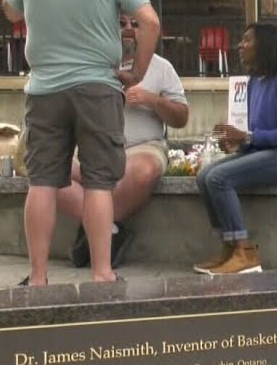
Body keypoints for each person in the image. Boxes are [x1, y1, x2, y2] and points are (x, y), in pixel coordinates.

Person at [3, 0, 160, 285]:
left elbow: (10, 12)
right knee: (98, 181)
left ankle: (38, 277)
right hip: (98, 87)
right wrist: (136, 72)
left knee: (41, 181)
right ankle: (102, 274)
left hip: (44, 89)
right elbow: (150, 21)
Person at [58, 13, 190, 269]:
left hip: (143, 148)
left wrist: (152, 100)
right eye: (121, 23)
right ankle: (110, 230)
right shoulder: (91, 67)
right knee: (50, 174)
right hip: (94, 150)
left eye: (135, 24)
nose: (128, 29)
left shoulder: (160, 67)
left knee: (145, 171)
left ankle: (94, 230)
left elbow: (181, 117)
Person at [193, 21, 277, 275]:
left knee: (219, 178)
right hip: (271, 153)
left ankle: (245, 253)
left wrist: (247, 137)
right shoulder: (254, 83)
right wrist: (238, 142)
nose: (240, 45)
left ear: (265, 45)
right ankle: (229, 248)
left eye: (247, 40)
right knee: (204, 176)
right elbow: (257, 135)